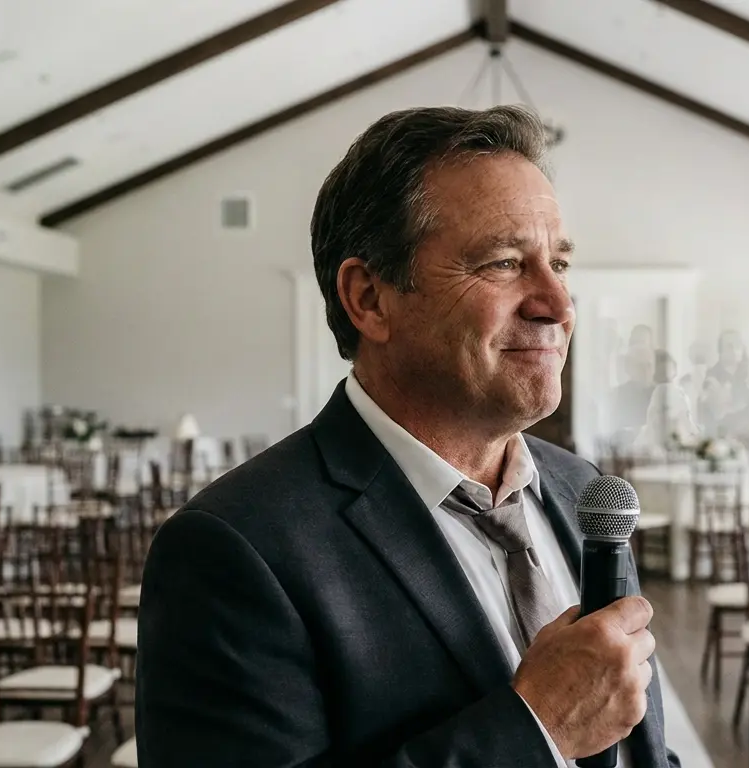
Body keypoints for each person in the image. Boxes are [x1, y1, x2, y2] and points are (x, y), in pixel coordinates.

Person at [136, 106, 678, 767]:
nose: (558, 307)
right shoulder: (234, 549)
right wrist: (535, 729)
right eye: (505, 263)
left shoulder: (583, 490)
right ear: (369, 298)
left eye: (559, 264)